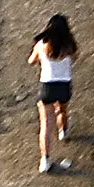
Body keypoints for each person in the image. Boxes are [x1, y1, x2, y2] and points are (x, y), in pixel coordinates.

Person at [31, 14, 79, 172]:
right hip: (64, 85)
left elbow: (31, 60)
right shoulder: (69, 46)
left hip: (47, 87)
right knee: (63, 110)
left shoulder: (41, 45)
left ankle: (45, 160)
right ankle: (63, 131)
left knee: (45, 124)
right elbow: (75, 57)